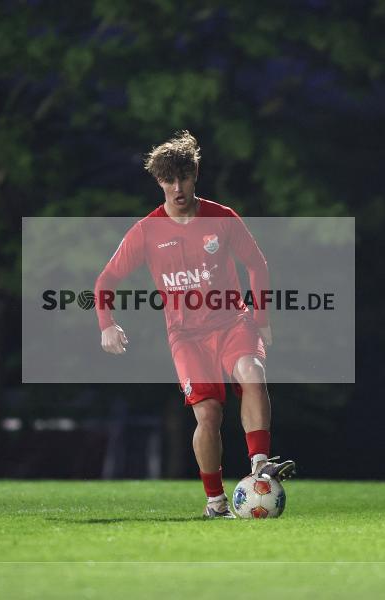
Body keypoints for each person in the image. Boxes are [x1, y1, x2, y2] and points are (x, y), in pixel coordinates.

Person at [94, 131, 296, 518]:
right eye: (168, 180)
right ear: (159, 182)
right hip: (186, 335)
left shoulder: (222, 218)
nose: (177, 187)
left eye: (183, 177)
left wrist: (261, 317)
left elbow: (256, 264)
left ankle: (259, 466)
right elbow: (105, 281)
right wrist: (107, 324)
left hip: (233, 321)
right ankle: (216, 502)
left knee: (251, 372)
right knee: (208, 414)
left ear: (195, 174)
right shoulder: (146, 231)